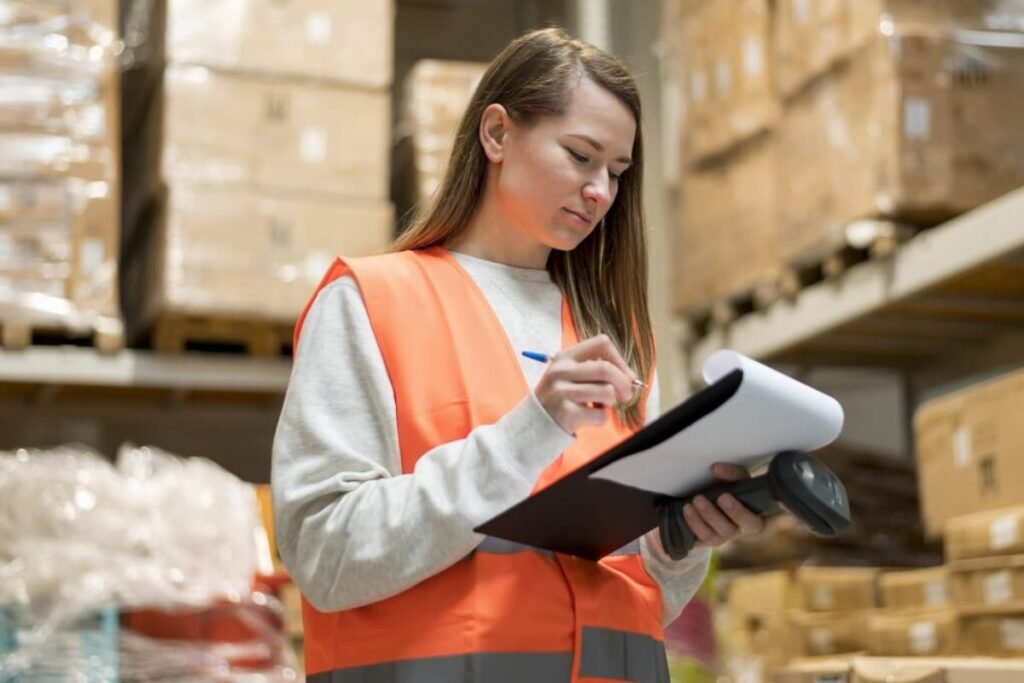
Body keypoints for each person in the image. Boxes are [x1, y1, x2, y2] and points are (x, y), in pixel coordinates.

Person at [272, 27, 766, 683]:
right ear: (497, 134)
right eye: (580, 155)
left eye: (616, 173)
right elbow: (327, 555)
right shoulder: (371, 300)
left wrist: (675, 547)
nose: (601, 192)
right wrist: (528, 432)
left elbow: (626, 599)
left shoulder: (609, 336)